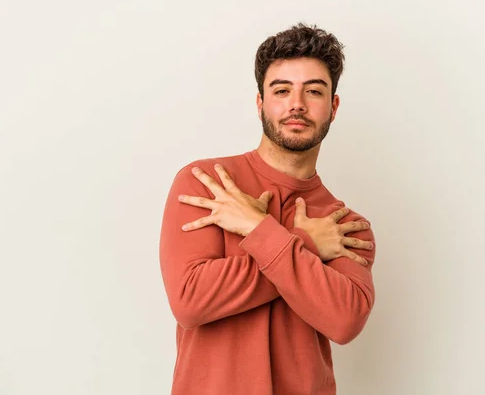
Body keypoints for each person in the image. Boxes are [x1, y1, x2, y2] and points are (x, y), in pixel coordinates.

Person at [159, 23, 377, 395]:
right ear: (260, 103)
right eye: (281, 90)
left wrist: (259, 230)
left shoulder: (344, 226)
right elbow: (190, 301)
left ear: (333, 106)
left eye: (313, 91)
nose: (297, 104)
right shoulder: (208, 183)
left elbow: (344, 321)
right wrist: (305, 243)